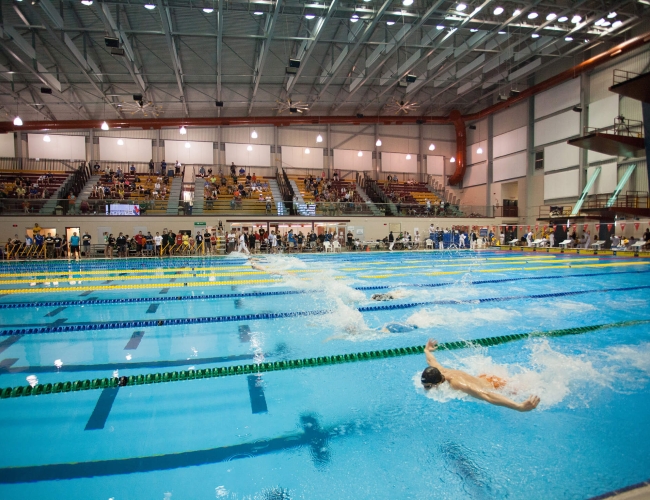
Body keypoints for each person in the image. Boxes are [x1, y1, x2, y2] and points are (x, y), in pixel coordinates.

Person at [421, 339, 540, 412]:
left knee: (526, 389)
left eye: (427, 386)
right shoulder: (440, 371)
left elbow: (486, 395)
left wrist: (518, 406)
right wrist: (427, 350)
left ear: (436, 384)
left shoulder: (456, 383)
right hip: (484, 377)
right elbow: (431, 361)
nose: (425, 388)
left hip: (496, 385)